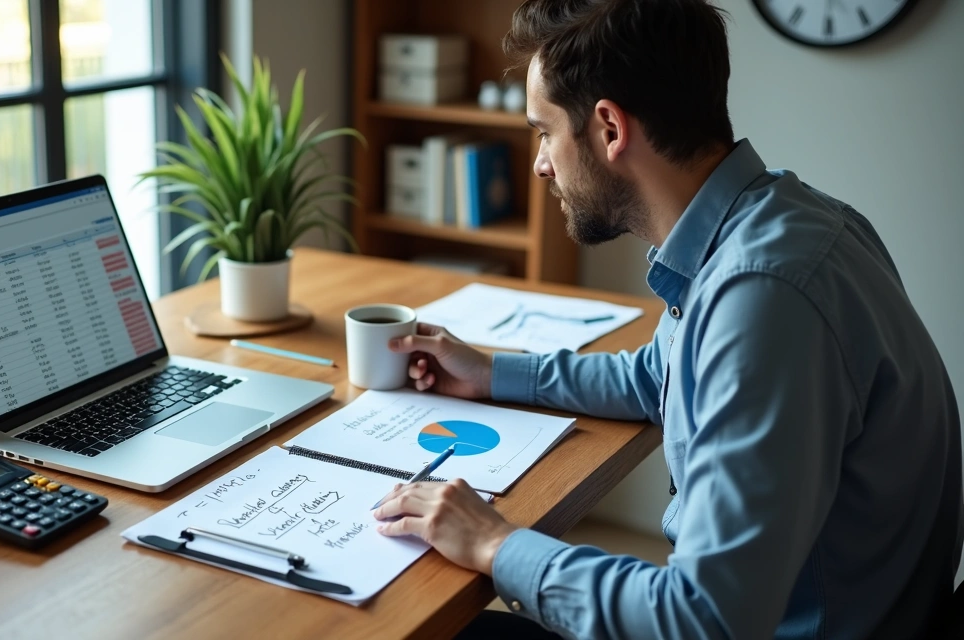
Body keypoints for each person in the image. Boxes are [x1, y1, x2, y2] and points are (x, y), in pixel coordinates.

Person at [371, 0, 963, 637]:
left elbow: (702, 619)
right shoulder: (791, 221)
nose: (541, 163)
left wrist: (494, 544)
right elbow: (660, 375)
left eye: (545, 132)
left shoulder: (762, 298)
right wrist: (491, 373)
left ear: (608, 128)